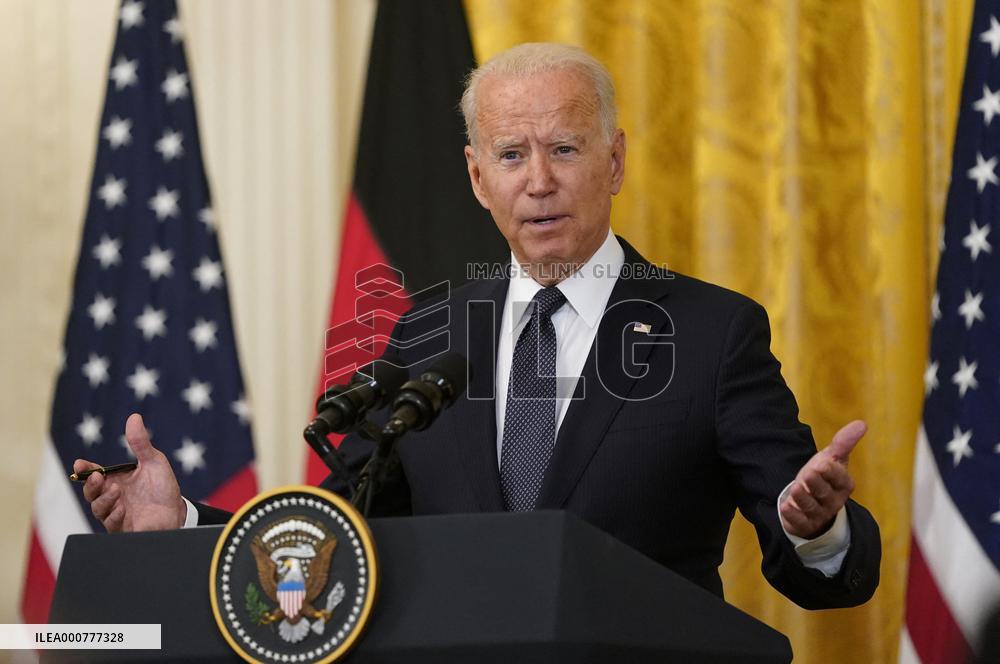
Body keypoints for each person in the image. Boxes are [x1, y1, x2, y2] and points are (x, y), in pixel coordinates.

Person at [75, 42, 880, 608]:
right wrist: (180, 522)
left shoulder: (713, 331)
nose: (539, 182)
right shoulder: (429, 332)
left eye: (565, 148)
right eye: (511, 155)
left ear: (617, 161)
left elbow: (810, 558)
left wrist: (819, 529)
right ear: (475, 177)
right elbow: (339, 534)